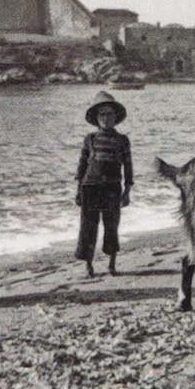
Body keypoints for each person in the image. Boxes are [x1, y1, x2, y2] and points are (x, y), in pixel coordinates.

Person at [75, 91, 133, 278]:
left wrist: (127, 191)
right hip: (89, 187)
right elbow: (82, 165)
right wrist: (78, 190)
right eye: (102, 114)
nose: (106, 118)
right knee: (88, 227)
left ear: (116, 117)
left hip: (112, 188)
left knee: (112, 226)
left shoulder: (122, 140)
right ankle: (89, 267)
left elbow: (128, 165)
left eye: (110, 114)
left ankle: (111, 265)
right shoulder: (89, 139)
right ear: (96, 118)